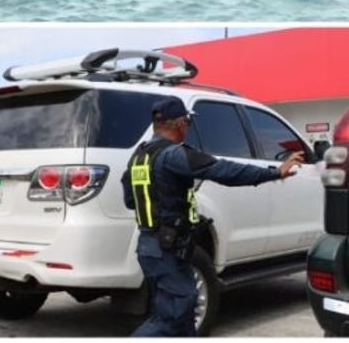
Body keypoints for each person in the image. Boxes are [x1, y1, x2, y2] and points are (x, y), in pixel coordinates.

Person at [121, 96, 305, 336]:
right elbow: (224, 171)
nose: (188, 126)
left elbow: (129, 200)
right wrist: (274, 172)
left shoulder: (139, 157)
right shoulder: (175, 155)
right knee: (175, 313)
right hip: (166, 248)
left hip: (151, 246)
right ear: (179, 123)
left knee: (184, 314)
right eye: (187, 121)